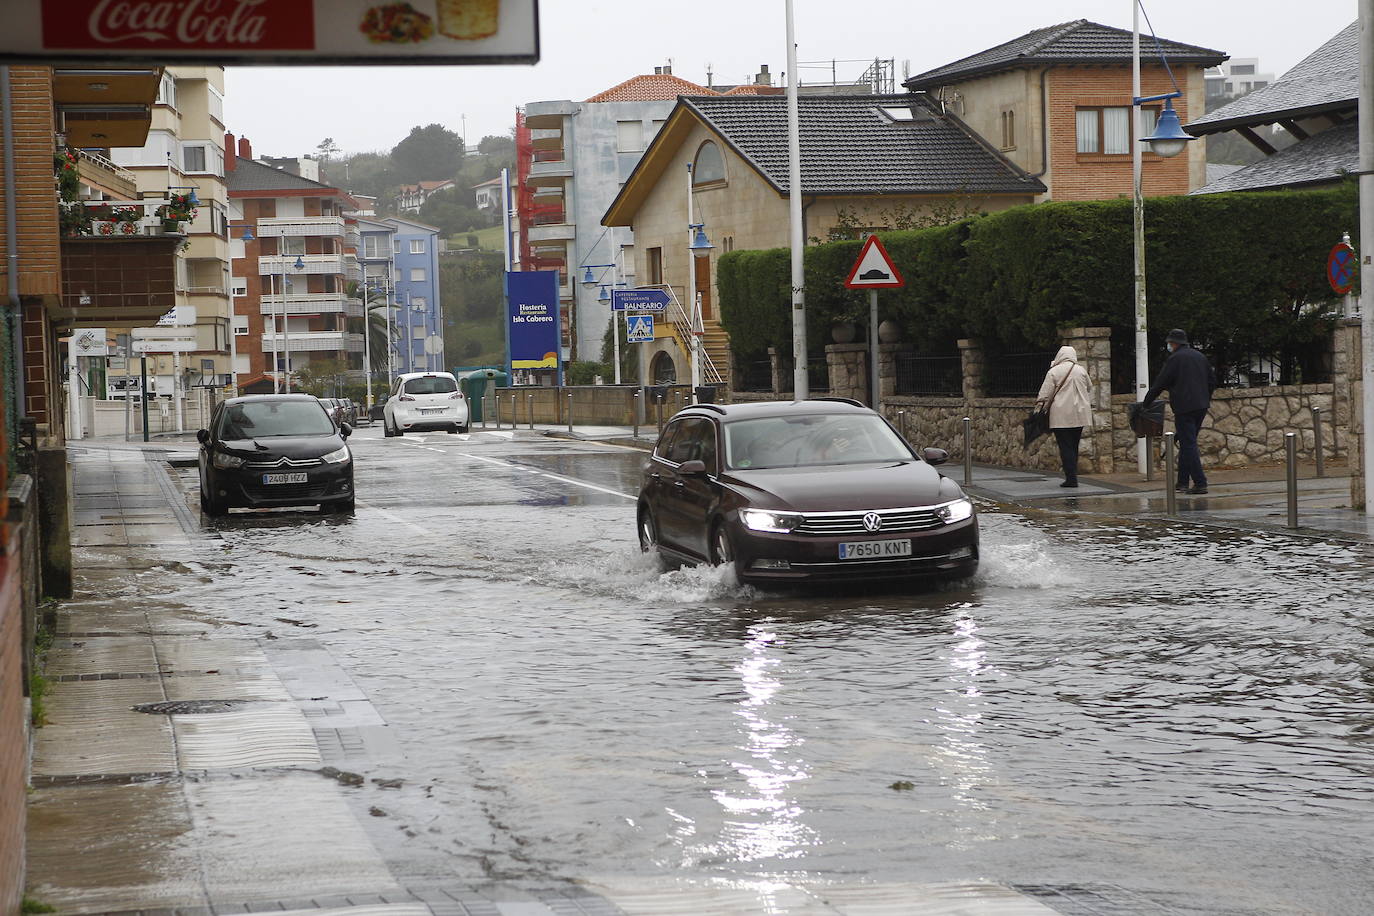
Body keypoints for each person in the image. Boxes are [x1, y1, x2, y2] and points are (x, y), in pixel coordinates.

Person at [1141, 328, 1216, 495]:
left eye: (1169, 343)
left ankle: (1200, 482)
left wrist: (1146, 403)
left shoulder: (1175, 359)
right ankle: (1182, 482)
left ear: (1173, 343)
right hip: (1201, 406)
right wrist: (1205, 398)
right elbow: (1212, 381)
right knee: (1186, 441)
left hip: (1184, 407)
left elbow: (1160, 383)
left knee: (1188, 444)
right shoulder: (1200, 357)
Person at [1036, 346, 1093, 488]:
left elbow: (1045, 394)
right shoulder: (1081, 370)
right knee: (1074, 445)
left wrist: (1038, 409)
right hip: (1080, 415)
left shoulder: (1054, 371)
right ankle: (1073, 475)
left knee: (1065, 446)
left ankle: (1071, 478)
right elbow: (1089, 387)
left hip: (1060, 415)